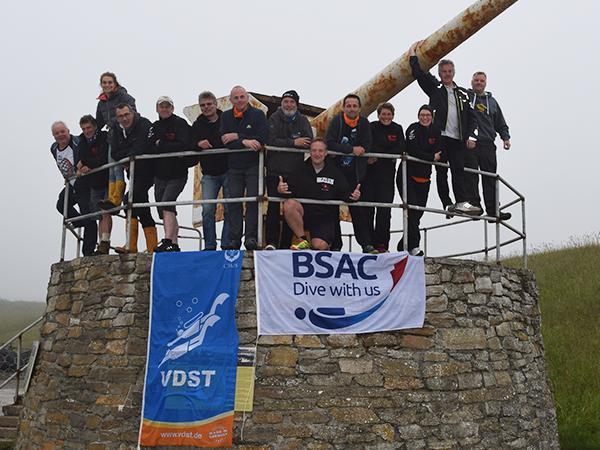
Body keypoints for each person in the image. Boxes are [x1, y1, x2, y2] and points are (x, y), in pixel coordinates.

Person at [408, 41, 481, 216]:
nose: (447, 74)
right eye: (443, 72)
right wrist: (412, 55)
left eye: (449, 72)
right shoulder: (435, 88)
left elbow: (473, 118)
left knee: (458, 170)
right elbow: (419, 74)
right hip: (440, 136)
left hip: (458, 138)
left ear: (453, 73)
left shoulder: (464, 93)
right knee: (441, 171)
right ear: (439, 74)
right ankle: (447, 204)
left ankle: (461, 202)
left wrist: (472, 136)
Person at [278, 139, 361, 250]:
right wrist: (281, 190)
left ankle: (322, 243)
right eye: (314, 150)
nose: (317, 154)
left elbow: (345, 193)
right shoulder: (300, 169)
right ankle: (303, 240)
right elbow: (289, 190)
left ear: (326, 153)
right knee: (289, 204)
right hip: (304, 213)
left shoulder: (334, 172)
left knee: (320, 246)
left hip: (324, 217)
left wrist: (354, 196)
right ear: (310, 152)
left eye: (320, 151)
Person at [220, 85, 268, 250]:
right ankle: (234, 240)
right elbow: (225, 142)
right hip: (234, 167)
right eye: (236, 97)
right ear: (231, 100)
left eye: (242, 97)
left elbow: (262, 138)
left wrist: (238, 136)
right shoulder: (226, 116)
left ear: (247, 98)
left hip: (254, 165)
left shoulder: (258, 114)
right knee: (234, 202)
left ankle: (251, 239)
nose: (239, 100)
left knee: (253, 202)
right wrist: (245, 141)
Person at [266, 90, 313, 249]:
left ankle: (286, 244)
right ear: (281, 103)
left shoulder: (303, 120)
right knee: (273, 207)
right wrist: (293, 143)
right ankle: (271, 242)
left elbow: (308, 141)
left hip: (295, 173)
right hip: (274, 171)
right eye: (286, 101)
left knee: (289, 208)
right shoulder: (273, 118)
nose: (288, 104)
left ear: (296, 104)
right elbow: (270, 140)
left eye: (292, 102)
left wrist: (285, 143)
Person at [325, 93, 372, 252]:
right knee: (332, 210)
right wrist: (351, 149)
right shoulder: (336, 122)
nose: (352, 109)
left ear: (359, 108)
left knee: (358, 210)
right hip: (336, 173)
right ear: (344, 107)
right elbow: (329, 143)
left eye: (354, 106)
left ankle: (366, 244)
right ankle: (336, 245)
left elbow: (367, 143)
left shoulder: (364, 123)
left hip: (355, 174)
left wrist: (362, 150)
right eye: (349, 106)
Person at [112, 104, 158, 253]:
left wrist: (128, 154)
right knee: (142, 207)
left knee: (130, 199)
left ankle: (131, 245)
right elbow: (115, 153)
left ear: (133, 113)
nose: (124, 118)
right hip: (133, 173)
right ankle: (151, 247)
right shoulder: (117, 130)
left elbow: (141, 148)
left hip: (148, 171)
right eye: (120, 116)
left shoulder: (144, 124)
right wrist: (128, 155)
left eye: (126, 114)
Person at [396, 105, 442, 255]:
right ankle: (414, 246)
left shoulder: (436, 131)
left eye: (428, 115)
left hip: (424, 179)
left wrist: (432, 156)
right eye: (422, 114)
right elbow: (412, 149)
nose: (425, 117)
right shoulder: (413, 129)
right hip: (407, 176)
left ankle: (403, 243)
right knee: (413, 210)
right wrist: (430, 157)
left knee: (418, 213)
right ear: (418, 115)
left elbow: (440, 150)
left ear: (432, 117)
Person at [148, 96, 192, 252]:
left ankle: (167, 240)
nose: (164, 109)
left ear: (172, 108)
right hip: (159, 175)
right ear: (157, 109)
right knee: (165, 208)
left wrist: (162, 144)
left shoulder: (180, 124)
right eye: (161, 106)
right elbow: (150, 146)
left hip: (177, 173)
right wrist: (167, 147)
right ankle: (174, 243)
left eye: (167, 106)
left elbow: (184, 144)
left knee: (167, 203)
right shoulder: (154, 126)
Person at [466, 71, 512, 220]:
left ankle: (493, 210)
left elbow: (500, 122)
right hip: (470, 143)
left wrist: (505, 138)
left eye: (482, 81)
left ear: (485, 83)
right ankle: (475, 207)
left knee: (490, 178)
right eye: (476, 80)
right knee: (471, 176)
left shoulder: (492, 102)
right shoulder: (465, 97)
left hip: (487, 144)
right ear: (471, 82)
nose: (479, 83)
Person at [191, 91, 233, 250]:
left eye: (209, 104)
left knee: (230, 208)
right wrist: (198, 144)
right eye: (203, 105)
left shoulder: (227, 120)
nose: (206, 107)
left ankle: (227, 243)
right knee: (208, 210)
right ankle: (209, 245)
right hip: (209, 173)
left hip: (229, 170)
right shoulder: (197, 125)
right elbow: (190, 142)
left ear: (216, 105)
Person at [50, 121, 97, 256]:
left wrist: (85, 165)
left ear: (68, 131)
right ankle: (81, 221)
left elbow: (90, 154)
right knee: (61, 205)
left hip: (83, 182)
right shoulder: (54, 148)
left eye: (62, 131)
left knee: (88, 213)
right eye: (57, 133)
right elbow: (61, 163)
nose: (60, 135)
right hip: (71, 183)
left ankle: (88, 251)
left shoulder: (78, 142)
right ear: (53, 136)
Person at [366, 102, 406, 253]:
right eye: (383, 114)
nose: (386, 117)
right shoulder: (372, 127)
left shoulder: (397, 128)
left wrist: (380, 154)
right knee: (368, 210)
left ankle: (382, 245)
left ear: (393, 115)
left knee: (384, 211)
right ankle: (368, 244)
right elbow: (369, 145)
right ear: (378, 115)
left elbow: (401, 147)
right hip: (370, 176)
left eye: (389, 114)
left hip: (387, 176)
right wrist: (387, 153)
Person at [95, 72, 135, 211]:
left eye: (110, 82)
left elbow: (133, 112)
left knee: (118, 167)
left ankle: (116, 199)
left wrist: (113, 122)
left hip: (123, 135)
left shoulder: (124, 96)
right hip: (111, 138)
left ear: (115, 83)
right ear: (101, 84)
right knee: (111, 168)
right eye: (104, 83)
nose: (107, 85)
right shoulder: (101, 103)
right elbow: (98, 123)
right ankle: (112, 198)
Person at [77, 115, 112, 254]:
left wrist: (86, 164)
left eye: (89, 127)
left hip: (108, 179)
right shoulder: (82, 141)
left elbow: (103, 158)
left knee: (106, 211)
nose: (86, 131)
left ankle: (105, 242)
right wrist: (83, 164)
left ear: (95, 126)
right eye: (84, 128)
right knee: (97, 215)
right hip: (94, 182)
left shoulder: (104, 137)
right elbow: (79, 160)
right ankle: (101, 246)